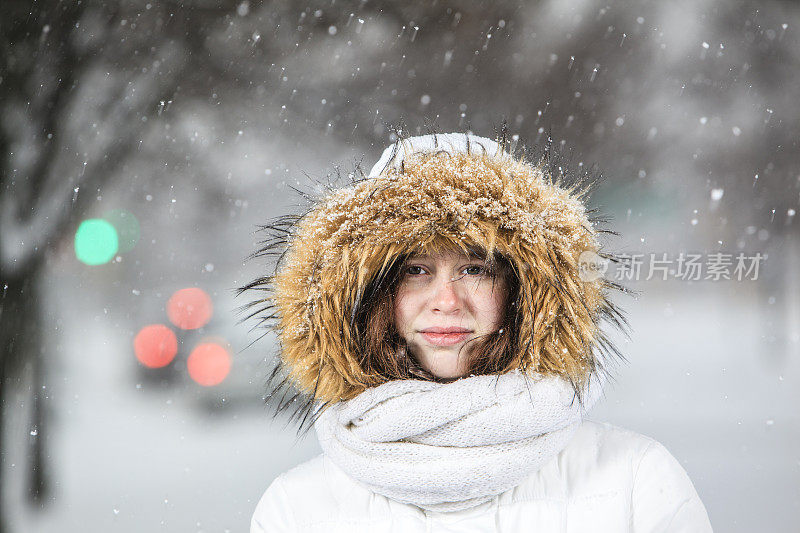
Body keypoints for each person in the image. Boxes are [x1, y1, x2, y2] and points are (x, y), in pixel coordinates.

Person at [244, 131, 713, 532]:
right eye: (415, 269)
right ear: (368, 297)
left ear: (525, 292)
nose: (446, 300)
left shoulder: (634, 481)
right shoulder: (297, 509)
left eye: (475, 268)